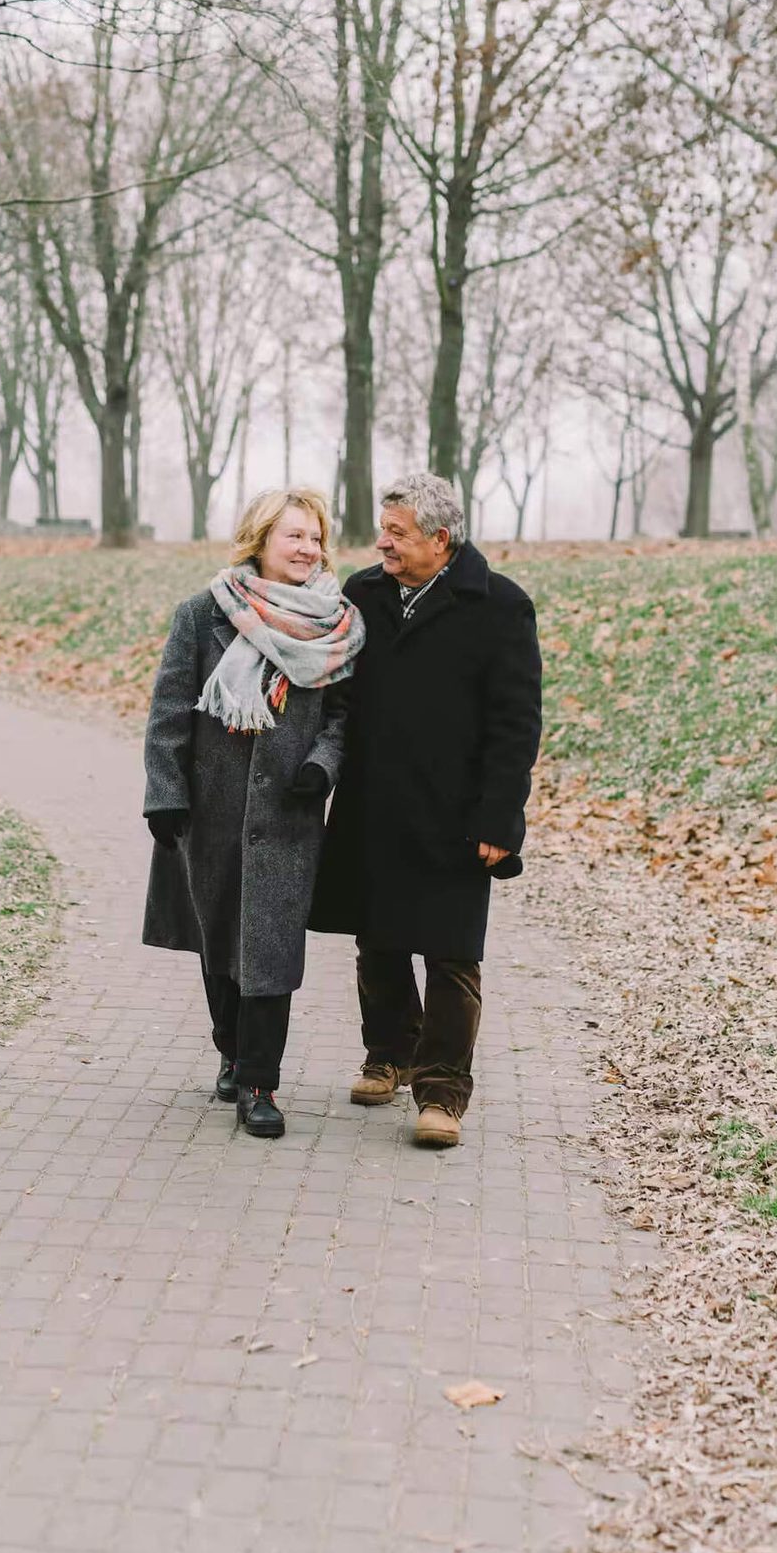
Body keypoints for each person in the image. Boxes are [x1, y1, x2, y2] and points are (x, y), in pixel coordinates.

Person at [310, 472, 542, 1149]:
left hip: (455, 811)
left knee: (450, 953)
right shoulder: (361, 594)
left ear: (440, 540)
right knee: (376, 938)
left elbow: (515, 722)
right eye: (383, 529)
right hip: (371, 800)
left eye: (397, 533)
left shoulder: (499, 606)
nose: (382, 542)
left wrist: (500, 816)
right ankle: (388, 1054)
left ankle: (441, 1092)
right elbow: (335, 690)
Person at [142, 489, 363, 1138]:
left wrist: (322, 764)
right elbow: (169, 712)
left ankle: (259, 1084)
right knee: (219, 947)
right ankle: (231, 1053)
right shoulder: (201, 615)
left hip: (288, 815)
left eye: (316, 538)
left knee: (269, 953)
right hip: (210, 813)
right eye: (294, 536)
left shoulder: (336, 625)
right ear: (260, 540)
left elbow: (346, 716)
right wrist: (165, 795)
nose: (308, 550)